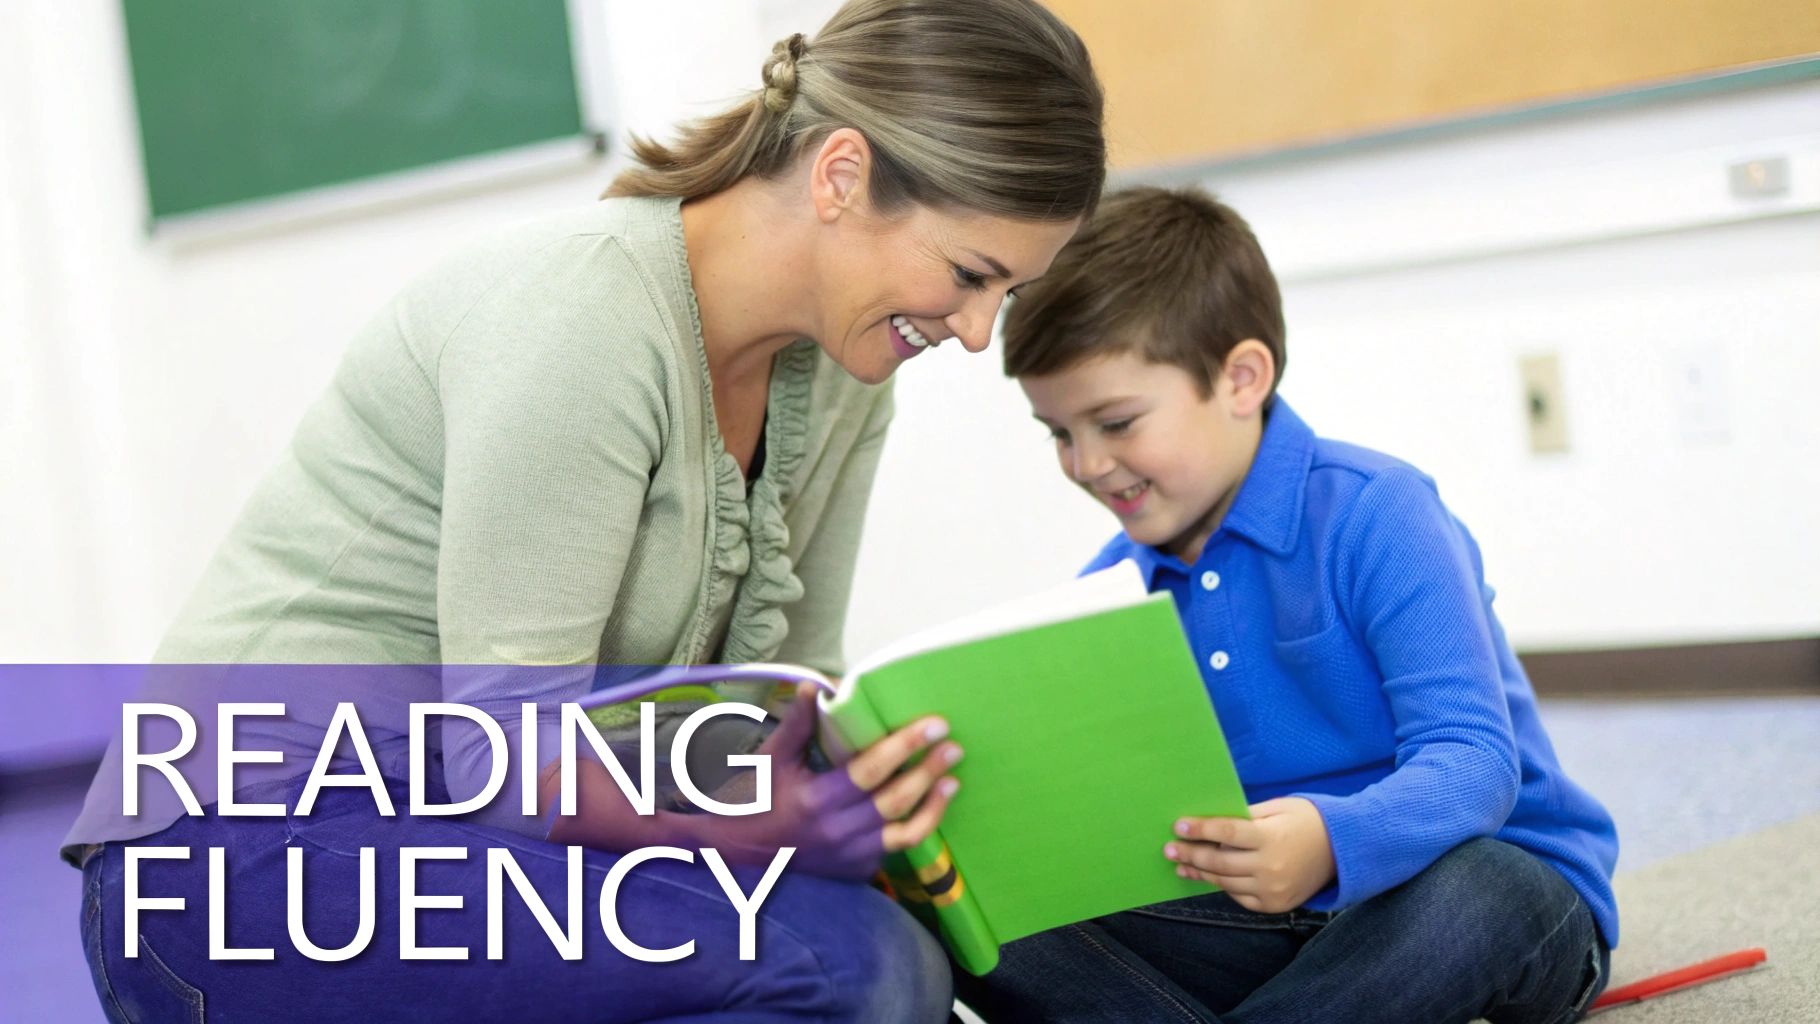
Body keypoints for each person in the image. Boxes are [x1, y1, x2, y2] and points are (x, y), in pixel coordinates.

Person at [62, 2, 1104, 1021]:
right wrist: (762, 831)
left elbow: (783, 711)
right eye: (968, 275)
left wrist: (866, 793)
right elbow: (499, 753)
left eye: (1003, 294)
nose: (974, 332)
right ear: (840, 175)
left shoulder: (844, 375)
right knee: (853, 965)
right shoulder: (583, 319)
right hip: (238, 856)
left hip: (473, 840)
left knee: (948, 944)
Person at [964, 186, 1619, 1023]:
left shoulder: (1380, 509)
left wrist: (1327, 840)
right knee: (986, 914)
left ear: (1242, 379)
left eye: (1116, 422)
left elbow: (1474, 765)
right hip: (1266, 928)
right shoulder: (1110, 592)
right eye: (1059, 433)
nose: (1088, 464)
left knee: (1479, 890)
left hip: (1474, 891)